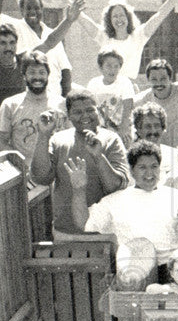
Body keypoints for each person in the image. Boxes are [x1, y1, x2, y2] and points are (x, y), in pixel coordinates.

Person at [81, 140, 178, 289]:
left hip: (173, 276)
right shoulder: (114, 200)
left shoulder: (176, 196)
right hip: (133, 276)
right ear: (131, 170)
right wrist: (78, 190)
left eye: (154, 166)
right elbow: (84, 224)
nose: (149, 173)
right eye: (142, 167)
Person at [48, 0, 178, 83]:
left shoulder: (139, 36)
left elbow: (160, 14)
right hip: (108, 85)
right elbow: (80, 16)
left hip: (129, 85)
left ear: (128, 17)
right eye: (115, 17)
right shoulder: (104, 37)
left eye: (121, 15)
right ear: (109, 21)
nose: (119, 19)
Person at [30, 90, 129, 241]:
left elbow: (115, 187)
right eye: (77, 112)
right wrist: (43, 135)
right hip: (66, 233)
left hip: (105, 235)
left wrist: (98, 156)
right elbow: (41, 178)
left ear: (99, 111)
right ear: (68, 115)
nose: (85, 116)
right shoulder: (58, 140)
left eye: (90, 110)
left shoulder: (111, 139)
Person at [0, 0, 75, 101]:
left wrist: (66, 100)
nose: (33, 11)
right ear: (22, 11)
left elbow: (65, 70)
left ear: (42, 9)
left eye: (36, 8)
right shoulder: (15, 27)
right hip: (27, 99)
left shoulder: (53, 33)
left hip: (54, 99)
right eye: (28, 8)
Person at [0, 50, 67, 168]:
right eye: (32, 72)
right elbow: (0, 143)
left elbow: (71, 138)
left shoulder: (62, 104)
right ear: (24, 75)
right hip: (25, 174)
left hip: (58, 171)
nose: (37, 77)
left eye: (42, 72)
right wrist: (23, 164)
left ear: (48, 75)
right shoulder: (10, 104)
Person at [86, 47, 134, 146]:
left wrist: (124, 128)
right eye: (108, 66)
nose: (112, 69)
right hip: (99, 129)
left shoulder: (124, 82)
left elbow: (128, 107)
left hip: (120, 128)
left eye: (116, 66)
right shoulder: (93, 83)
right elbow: (89, 106)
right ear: (100, 67)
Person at [130, 102, 178, 186]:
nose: (153, 131)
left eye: (157, 126)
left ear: (163, 128)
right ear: (138, 130)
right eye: (148, 126)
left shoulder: (176, 156)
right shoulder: (130, 158)